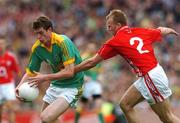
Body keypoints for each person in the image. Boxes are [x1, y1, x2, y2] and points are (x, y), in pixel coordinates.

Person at [75, 9, 180, 123]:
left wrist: (73, 70)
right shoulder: (140, 31)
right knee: (125, 105)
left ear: (118, 25)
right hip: (151, 75)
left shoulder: (115, 41)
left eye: (110, 26)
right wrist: (169, 30)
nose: (107, 29)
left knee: (167, 117)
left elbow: (92, 62)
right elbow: (160, 30)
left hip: (150, 77)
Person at [15, 16, 84, 123]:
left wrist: (45, 78)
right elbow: (30, 72)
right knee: (47, 120)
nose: (39, 37)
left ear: (50, 30)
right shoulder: (37, 48)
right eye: (36, 34)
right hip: (56, 85)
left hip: (73, 85)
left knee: (45, 117)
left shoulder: (63, 42)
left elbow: (70, 72)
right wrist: (19, 86)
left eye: (41, 33)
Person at [0, 38, 20, 123]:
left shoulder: (11, 57)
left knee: (10, 107)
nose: (0, 45)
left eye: (2, 43)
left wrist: (20, 84)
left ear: (5, 45)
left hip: (8, 85)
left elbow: (17, 70)